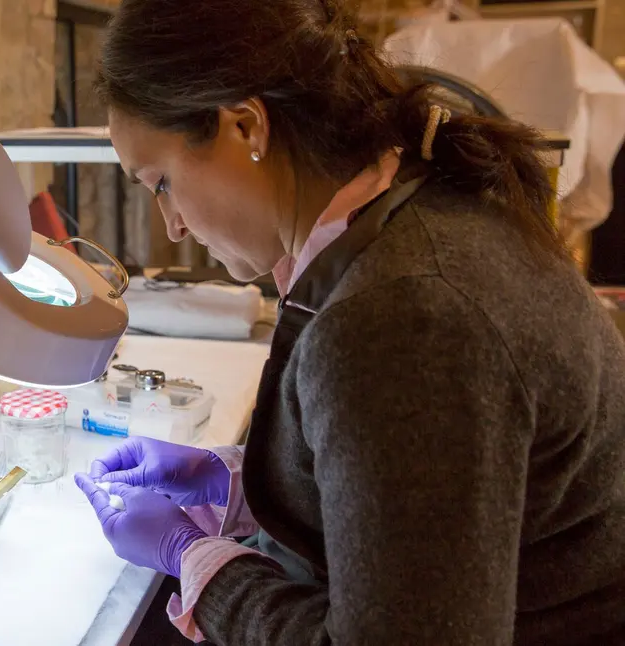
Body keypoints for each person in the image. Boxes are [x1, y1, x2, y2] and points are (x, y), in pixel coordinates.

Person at [73, 1, 625, 645]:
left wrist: (193, 559)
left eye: (161, 181)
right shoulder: (415, 211)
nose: (170, 223)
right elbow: (423, 496)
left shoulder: (403, 315)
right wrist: (247, 478)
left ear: (245, 126)